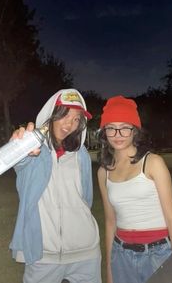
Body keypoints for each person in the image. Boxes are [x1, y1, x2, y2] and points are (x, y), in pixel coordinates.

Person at [9, 88, 102, 283]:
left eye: (77, 119)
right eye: (65, 114)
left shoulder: (81, 155)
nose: (71, 123)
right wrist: (17, 147)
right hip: (43, 254)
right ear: (52, 114)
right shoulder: (32, 150)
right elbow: (19, 161)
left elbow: (86, 199)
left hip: (85, 253)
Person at [97, 95, 172, 283]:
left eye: (125, 127)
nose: (118, 135)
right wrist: (109, 272)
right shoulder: (103, 172)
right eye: (111, 128)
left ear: (135, 131)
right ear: (104, 131)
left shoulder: (153, 163)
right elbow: (110, 222)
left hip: (158, 256)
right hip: (121, 257)